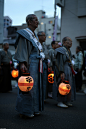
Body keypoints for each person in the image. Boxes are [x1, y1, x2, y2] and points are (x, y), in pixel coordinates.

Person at [14, 14, 45, 118]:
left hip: (37, 64)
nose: (37, 22)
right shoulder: (25, 33)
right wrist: (22, 63)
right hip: (30, 63)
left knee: (36, 87)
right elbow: (22, 49)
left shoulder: (34, 35)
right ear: (29, 21)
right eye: (35, 20)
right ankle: (26, 110)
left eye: (37, 20)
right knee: (28, 88)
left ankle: (34, 108)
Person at [53, 36, 76, 108]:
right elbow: (59, 62)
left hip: (69, 68)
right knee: (62, 84)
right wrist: (61, 72)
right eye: (69, 41)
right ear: (64, 42)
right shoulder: (61, 50)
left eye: (71, 41)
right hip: (64, 68)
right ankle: (60, 101)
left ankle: (66, 100)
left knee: (68, 85)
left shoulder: (68, 50)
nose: (71, 43)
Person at [37, 31, 50, 100]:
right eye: (43, 35)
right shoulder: (36, 44)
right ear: (39, 36)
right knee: (39, 81)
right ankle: (38, 97)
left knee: (44, 81)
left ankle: (43, 97)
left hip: (45, 64)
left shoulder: (44, 45)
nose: (45, 37)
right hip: (39, 64)